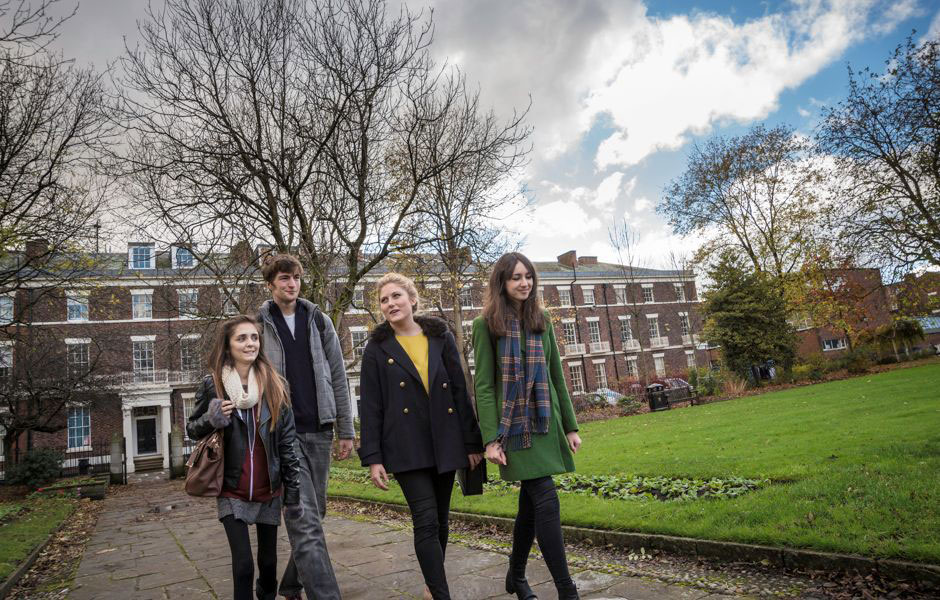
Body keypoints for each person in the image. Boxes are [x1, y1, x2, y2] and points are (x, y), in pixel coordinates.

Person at [358, 273, 484, 600]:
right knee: (425, 520)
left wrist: (471, 443)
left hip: (445, 440)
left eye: (396, 296)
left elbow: (460, 390)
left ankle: (432, 585)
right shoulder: (376, 348)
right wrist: (373, 458)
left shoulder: (440, 337)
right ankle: (442, 594)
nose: (390, 304)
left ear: (412, 300)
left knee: (441, 520)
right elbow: (370, 405)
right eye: (384, 300)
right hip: (405, 446)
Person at [472, 252, 583, 600]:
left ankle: (516, 576)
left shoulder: (543, 320)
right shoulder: (485, 325)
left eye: (528, 277)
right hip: (513, 427)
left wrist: (570, 426)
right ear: (502, 283)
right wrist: (491, 439)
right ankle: (567, 590)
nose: (524, 283)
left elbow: (555, 376)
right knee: (546, 500)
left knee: (531, 505)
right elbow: (485, 386)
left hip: (545, 423)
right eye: (516, 277)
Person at [186, 315, 302, 600]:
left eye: (254, 337)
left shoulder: (276, 384)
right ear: (228, 346)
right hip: (231, 487)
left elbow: (287, 442)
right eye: (242, 338)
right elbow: (191, 429)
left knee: (268, 564)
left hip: (268, 488)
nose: (250, 343)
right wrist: (212, 419)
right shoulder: (213, 384)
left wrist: (293, 492)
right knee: (243, 566)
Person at [257, 254, 349, 600]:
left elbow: (338, 376)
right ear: (270, 285)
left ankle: (292, 583)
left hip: (320, 429)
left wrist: (346, 430)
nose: (291, 283)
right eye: (283, 278)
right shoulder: (260, 324)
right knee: (304, 518)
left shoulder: (319, 320)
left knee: (316, 512)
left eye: (295, 277)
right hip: (284, 435)